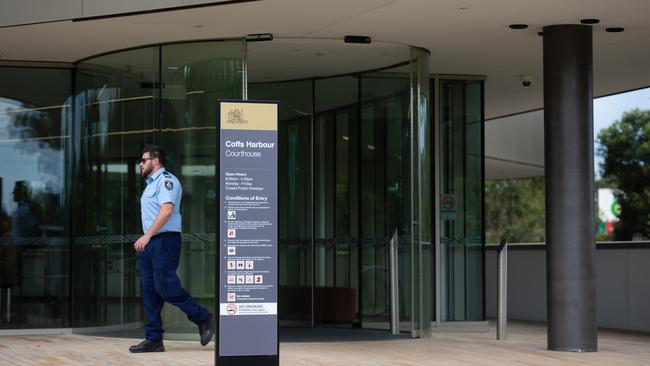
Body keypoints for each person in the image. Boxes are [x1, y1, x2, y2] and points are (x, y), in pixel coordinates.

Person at [129, 146, 214, 353]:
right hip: (150, 244)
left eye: (143, 160)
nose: (140, 164)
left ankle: (204, 318)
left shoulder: (167, 181)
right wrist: (148, 238)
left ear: (156, 160)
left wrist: (148, 235)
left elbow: (167, 210)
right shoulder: (149, 185)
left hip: (164, 240)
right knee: (150, 291)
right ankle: (154, 339)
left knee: (165, 287)